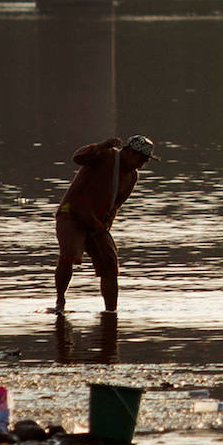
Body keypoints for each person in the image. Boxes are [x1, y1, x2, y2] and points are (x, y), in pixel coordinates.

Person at [54, 134, 156, 314]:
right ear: (129, 153)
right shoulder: (106, 155)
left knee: (110, 264)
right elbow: (78, 157)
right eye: (141, 159)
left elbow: (116, 204)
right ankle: (60, 303)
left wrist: (107, 223)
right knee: (69, 256)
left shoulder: (132, 176)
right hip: (72, 214)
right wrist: (101, 145)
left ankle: (111, 312)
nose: (141, 165)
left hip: (97, 223)